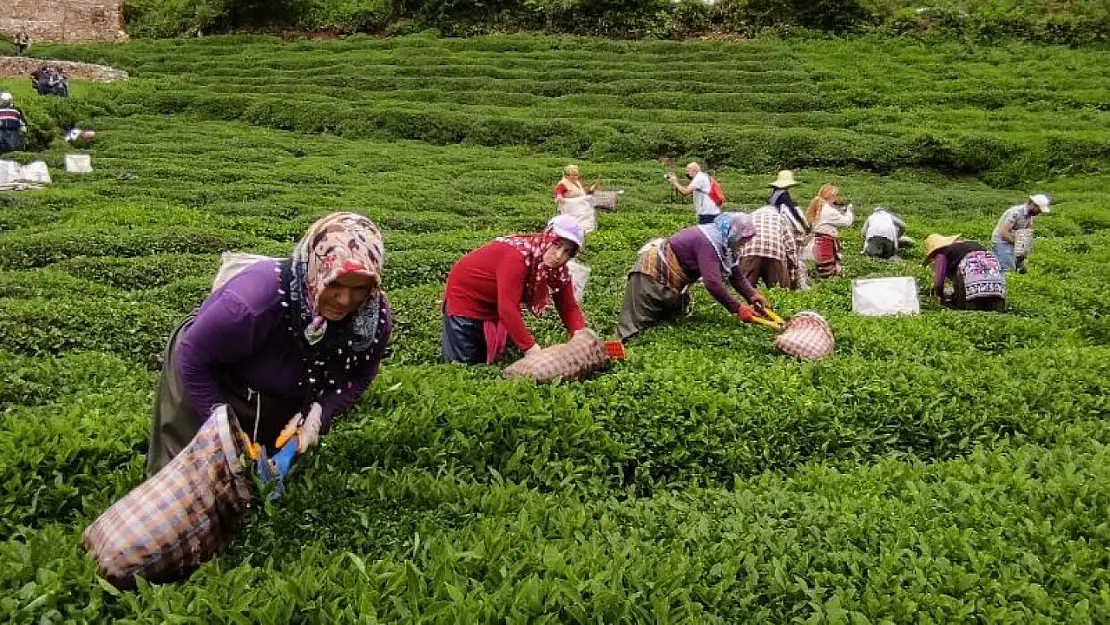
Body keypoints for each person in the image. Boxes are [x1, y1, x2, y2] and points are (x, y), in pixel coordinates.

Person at [147, 212, 392, 476]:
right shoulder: (250, 306)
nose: (345, 300)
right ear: (316, 270)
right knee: (188, 472)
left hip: (284, 377)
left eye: (359, 288)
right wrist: (219, 425)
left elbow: (363, 371)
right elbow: (193, 358)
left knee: (260, 474)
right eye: (335, 283)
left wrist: (321, 411)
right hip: (206, 364)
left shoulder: (371, 320)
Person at [442, 215, 591, 365]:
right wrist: (531, 349)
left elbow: (568, 307)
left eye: (567, 252)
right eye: (557, 245)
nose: (559, 256)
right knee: (463, 364)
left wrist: (580, 336)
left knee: (488, 361)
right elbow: (508, 308)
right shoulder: (517, 256)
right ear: (547, 238)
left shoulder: (558, 272)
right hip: (465, 298)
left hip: (493, 302)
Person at [618, 213, 772, 341]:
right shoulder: (708, 241)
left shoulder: (726, 245)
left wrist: (752, 295)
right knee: (635, 328)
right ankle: (612, 356)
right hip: (651, 276)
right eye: (742, 240)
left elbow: (736, 276)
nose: (743, 245)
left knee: (669, 325)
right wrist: (738, 308)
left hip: (674, 284)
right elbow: (712, 283)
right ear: (733, 232)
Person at [923, 234, 1006, 312]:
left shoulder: (941, 254)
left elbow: (938, 284)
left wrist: (942, 296)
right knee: (994, 315)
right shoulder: (972, 245)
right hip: (996, 284)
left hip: (973, 284)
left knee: (972, 315)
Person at [737, 205, 797, 289]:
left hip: (751, 250)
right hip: (775, 251)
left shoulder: (749, 217)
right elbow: (790, 245)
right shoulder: (779, 218)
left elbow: (738, 241)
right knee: (779, 291)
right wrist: (792, 272)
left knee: (745, 290)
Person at [992, 194, 1051, 273]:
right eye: (1039, 210)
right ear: (1034, 205)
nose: (1040, 212)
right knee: (1008, 269)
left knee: (1019, 268)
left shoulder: (1030, 215)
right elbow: (1003, 232)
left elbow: (1028, 230)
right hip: (1002, 242)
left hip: (1015, 243)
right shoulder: (1016, 212)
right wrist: (1016, 243)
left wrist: (1024, 244)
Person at [805, 183, 854, 278]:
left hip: (817, 242)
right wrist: (849, 211)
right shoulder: (829, 211)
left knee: (821, 269)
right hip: (826, 243)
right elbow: (847, 222)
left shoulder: (819, 207)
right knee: (828, 273)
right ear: (832, 196)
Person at [553, 164, 598, 234]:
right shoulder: (563, 183)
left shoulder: (577, 182)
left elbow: (580, 193)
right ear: (567, 175)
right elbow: (558, 192)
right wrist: (559, 197)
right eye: (573, 175)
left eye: (576, 175)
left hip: (581, 208)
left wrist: (590, 190)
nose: (575, 177)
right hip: (571, 210)